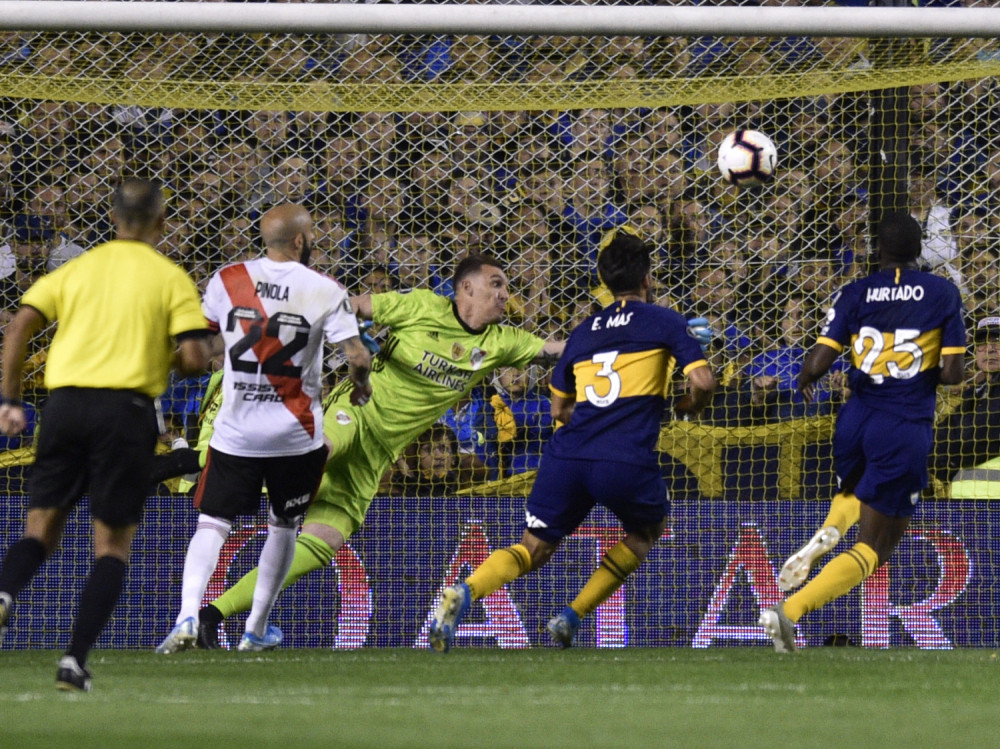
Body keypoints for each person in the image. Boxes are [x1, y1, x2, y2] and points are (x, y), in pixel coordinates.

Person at [196, 252, 566, 648]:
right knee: (322, 448)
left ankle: (211, 615)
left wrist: (607, 336)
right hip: (355, 411)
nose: (504, 294)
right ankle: (212, 466)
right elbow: (354, 306)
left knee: (325, 541)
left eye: (506, 287)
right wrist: (349, 328)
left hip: (378, 456)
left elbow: (556, 349)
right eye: (496, 284)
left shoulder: (502, 343)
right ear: (467, 288)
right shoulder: (421, 305)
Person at [427, 231, 716, 652]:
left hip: (568, 457)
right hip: (625, 459)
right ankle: (571, 616)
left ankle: (465, 592)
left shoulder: (582, 333)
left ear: (603, 279)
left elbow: (558, 411)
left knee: (532, 548)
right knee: (646, 531)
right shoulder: (665, 321)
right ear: (648, 279)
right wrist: (689, 404)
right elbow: (704, 380)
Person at [0, 179, 211, 691]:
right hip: (125, 410)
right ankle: (74, 661)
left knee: (40, 530)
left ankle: (4, 593)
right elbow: (196, 357)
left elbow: (20, 324)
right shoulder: (171, 277)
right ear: (161, 222)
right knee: (112, 546)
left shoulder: (76, 268)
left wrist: (8, 399)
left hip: (65, 405)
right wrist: (170, 360)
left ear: (112, 218)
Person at [156, 204, 372, 655]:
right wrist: (361, 388)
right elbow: (357, 356)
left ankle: (187, 615)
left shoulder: (227, 279)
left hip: (236, 432)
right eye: (311, 233)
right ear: (299, 241)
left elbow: (207, 346)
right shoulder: (323, 288)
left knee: (212, 523)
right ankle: (255, 628)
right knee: (285, 526)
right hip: (297, 436)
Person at [760, 211, 966, 653]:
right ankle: (789, 612)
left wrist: (805, 381)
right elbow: (952, 373)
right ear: (919, 250)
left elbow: (815, 364)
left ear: (878, 250)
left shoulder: (853, 291)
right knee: (877, 545)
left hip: (855, 419)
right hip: (903, 422)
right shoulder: (942, 292)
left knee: (854, 491)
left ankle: (829, 531)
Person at [930, 315, 1000, 498]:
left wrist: (949, 462)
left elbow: (973, 438)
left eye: (997, 341)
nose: (989, 349)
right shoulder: (974, 395)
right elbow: (937, 440)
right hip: (965, 507)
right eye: (982, 343)